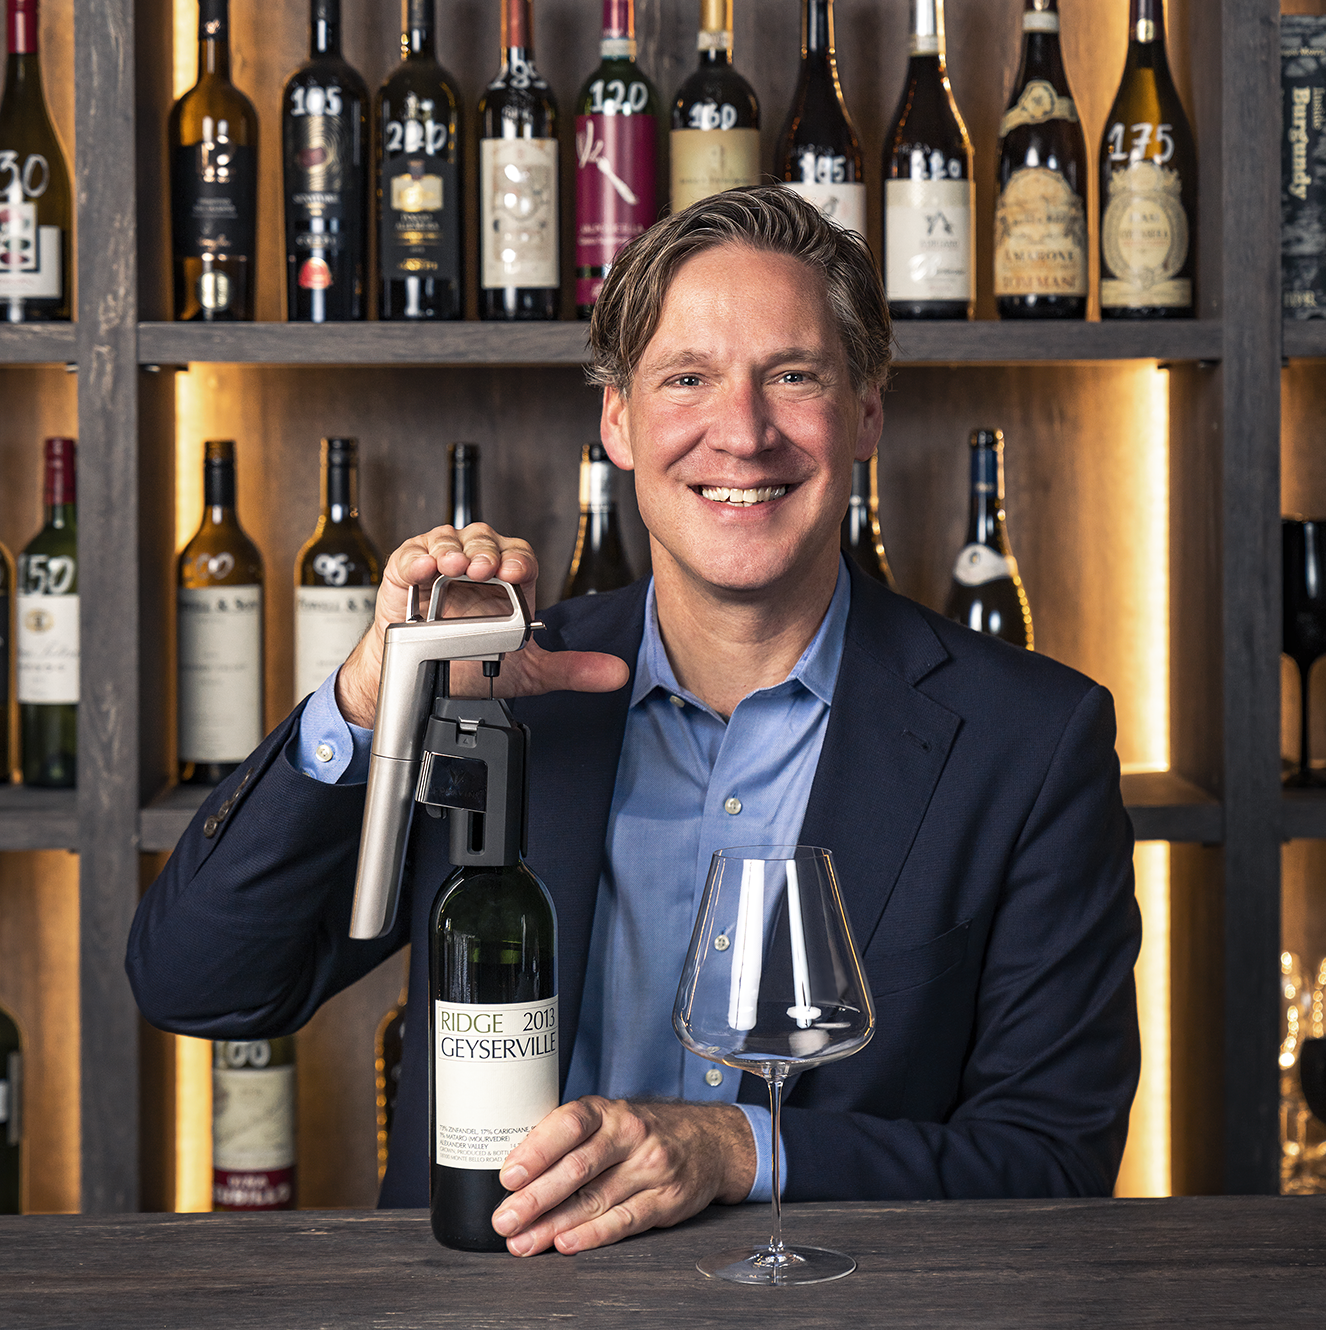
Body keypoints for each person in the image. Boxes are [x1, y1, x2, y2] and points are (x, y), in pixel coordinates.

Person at [128, 187, 1141, 1256]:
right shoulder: (494, 694)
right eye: (687, 379)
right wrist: (372, 701)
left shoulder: (1032, 740)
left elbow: (1052, 1162)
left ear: (867, 412)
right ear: (617, 420)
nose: (741, 433)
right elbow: (201, 981)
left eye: (792, 376)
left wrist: (737, 1147)